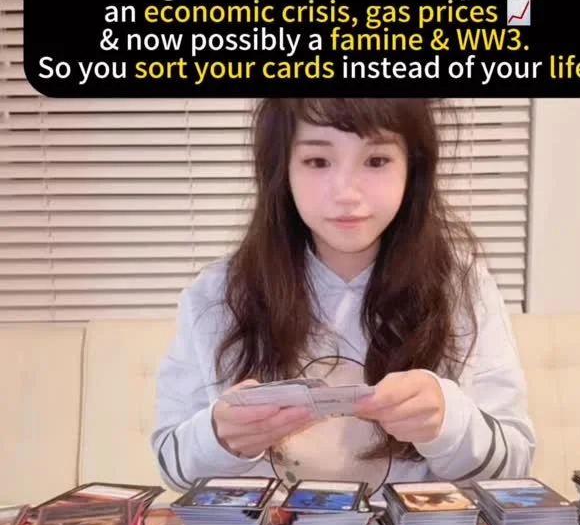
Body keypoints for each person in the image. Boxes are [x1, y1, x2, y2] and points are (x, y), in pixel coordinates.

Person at [151, 97, 535, 491]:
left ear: (413, 166)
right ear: (282, 169)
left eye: (376, 161)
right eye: (318, 161)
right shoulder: (217, 294)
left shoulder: (463, 287)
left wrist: (448, 422)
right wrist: (218, 437)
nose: (347, 193)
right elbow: (172, 469)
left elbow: (515, 465)